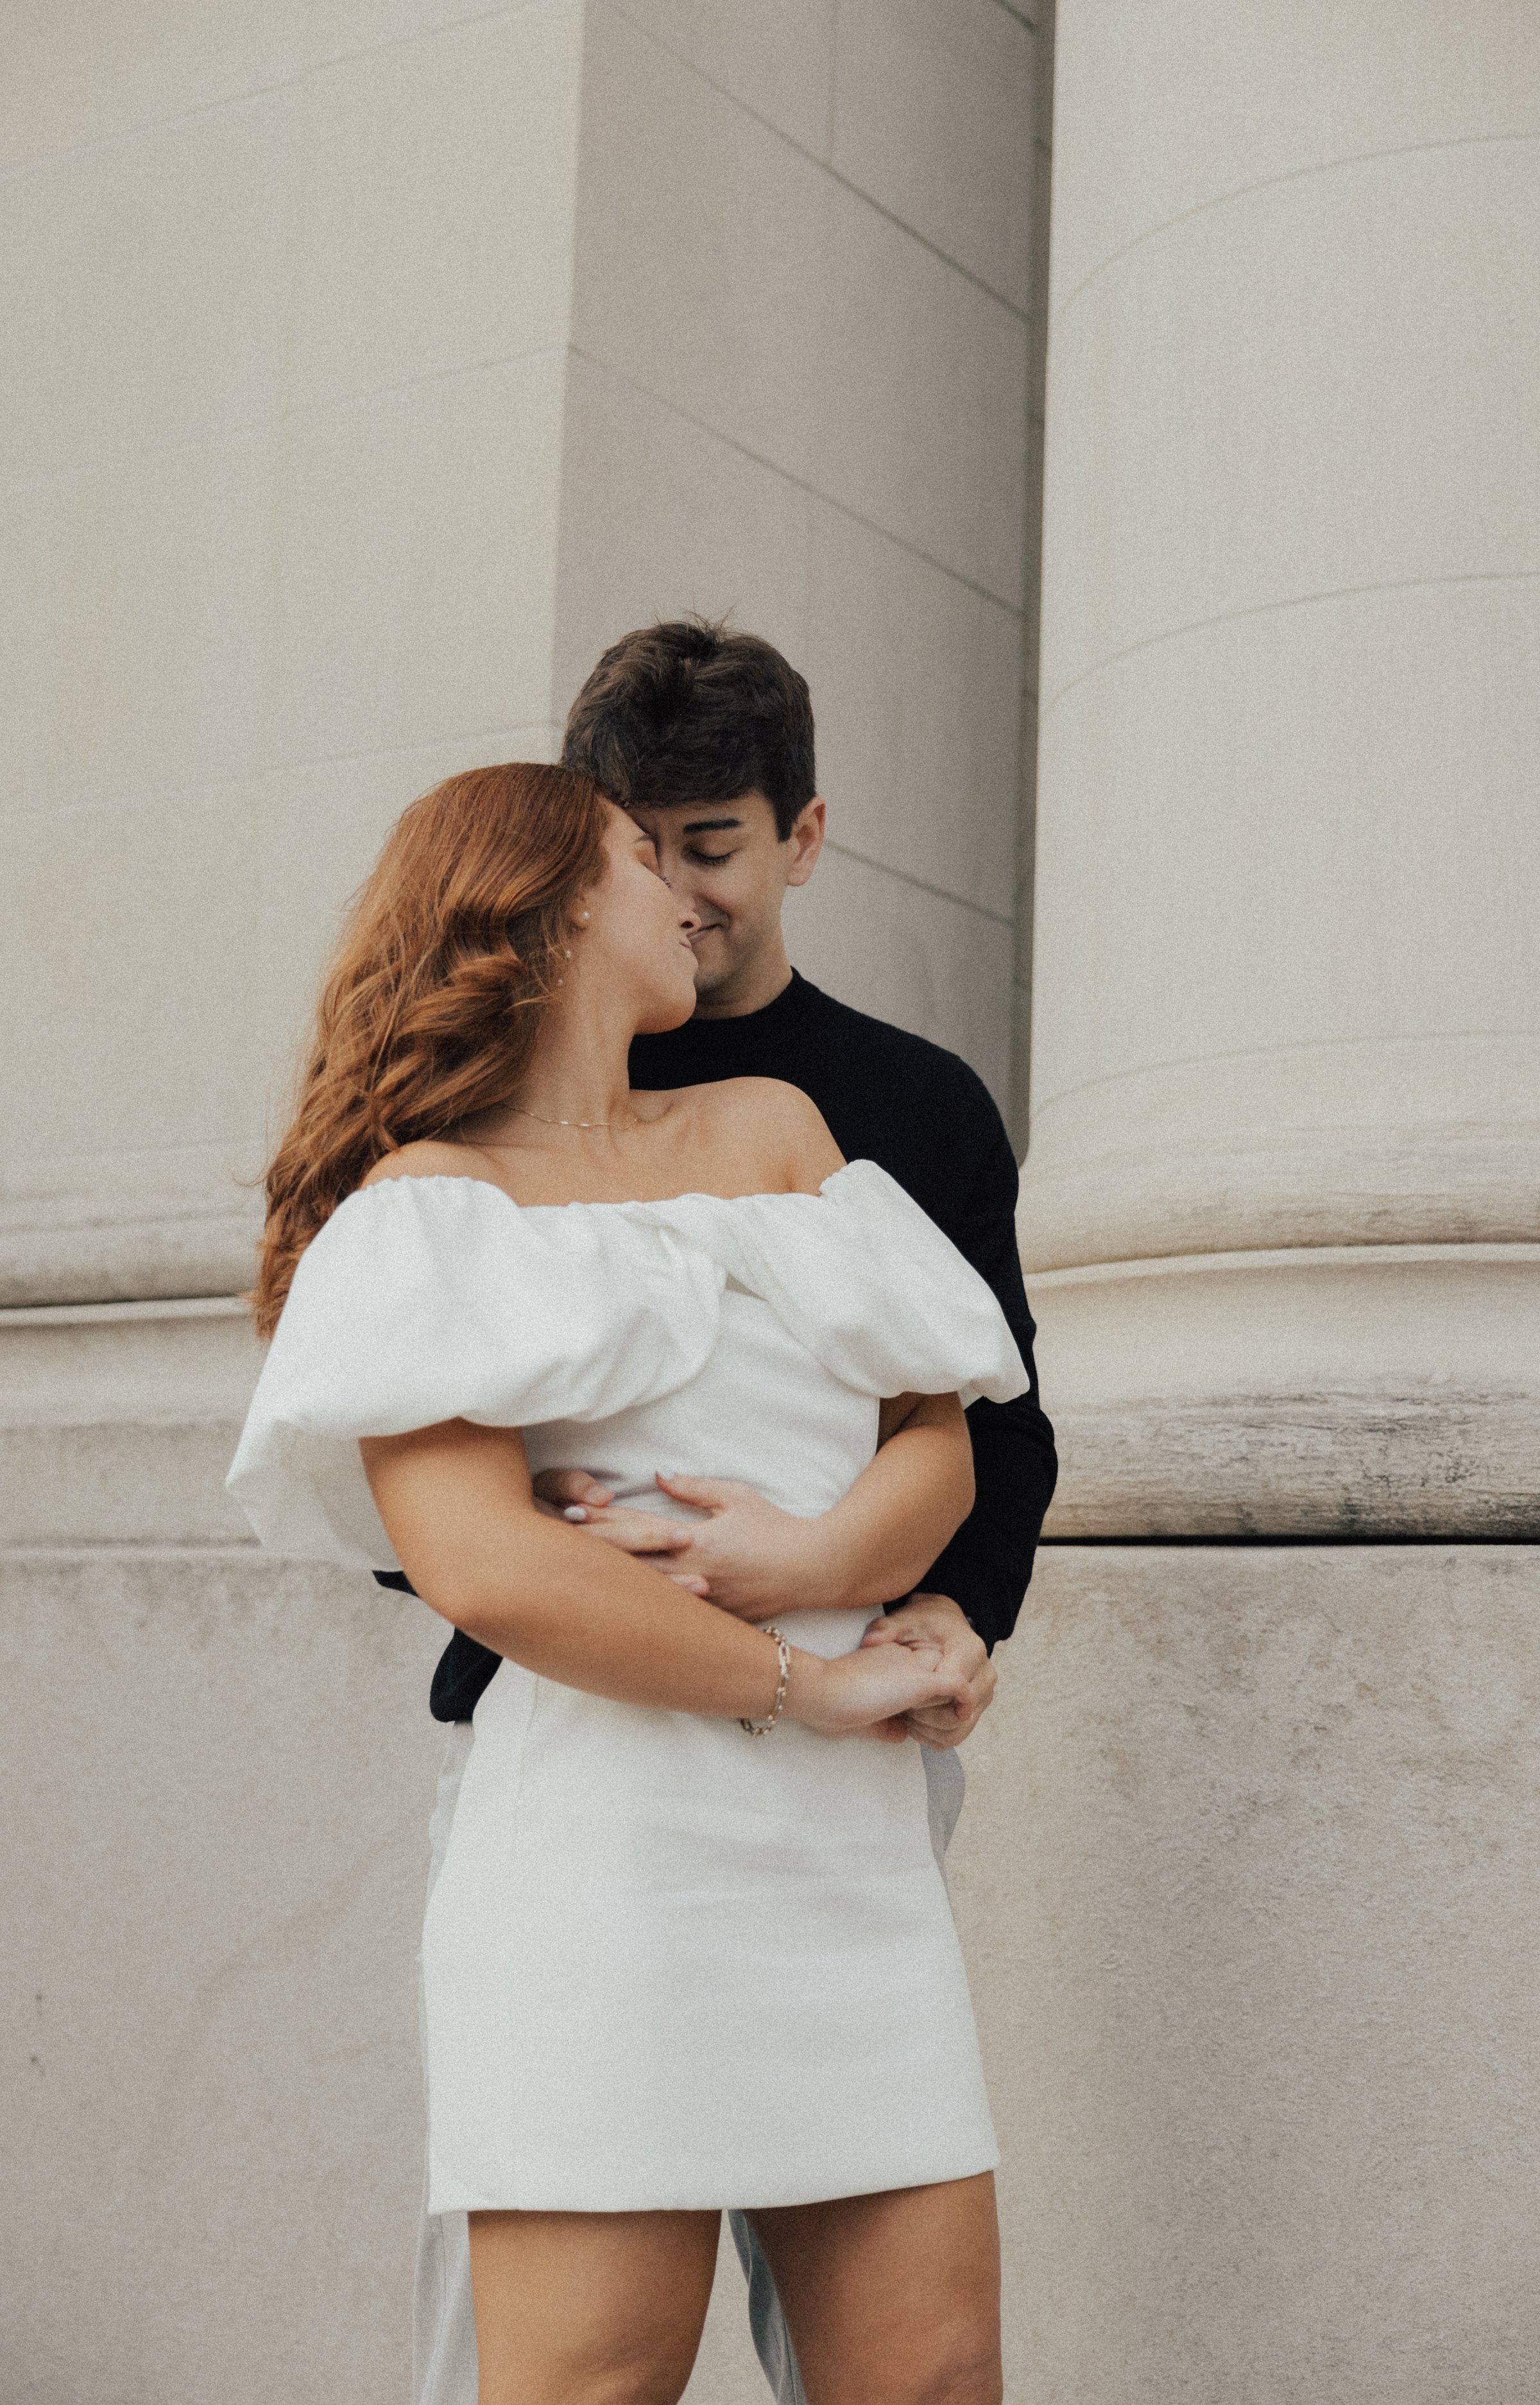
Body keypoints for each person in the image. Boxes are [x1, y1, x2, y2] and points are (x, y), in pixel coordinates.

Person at [227, 763, 1031, 2405]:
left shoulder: (773, 1128)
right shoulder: (427, 1208)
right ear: (550, 901)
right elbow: (483, 1563)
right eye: (631, 854)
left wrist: (806, 1567)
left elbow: (934, 1439)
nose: (678, 887)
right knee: (584, 2388)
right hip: (604, 1862)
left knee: (934, 2377)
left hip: (845, 1857)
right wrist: (809, 1678)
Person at [411, 622, 1060, 2404]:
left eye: (710, 844)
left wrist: (926, 1611)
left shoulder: (896, 1103)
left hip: (851, 1755)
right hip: (573, 1756)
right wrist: (600, 1543)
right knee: (530, 2331)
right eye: (634, 844)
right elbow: (440, 1525)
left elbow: (989, 1427)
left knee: (868, 2328)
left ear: (803, 835)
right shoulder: (463, 1144)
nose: (675, 888)